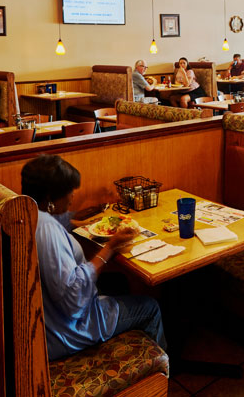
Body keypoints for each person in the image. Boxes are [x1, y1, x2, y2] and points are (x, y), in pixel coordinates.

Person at [21, 154, 166, 360]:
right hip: (65, 331)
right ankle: (156, 371)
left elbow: (61, 219)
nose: (72, 196)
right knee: (150, 307)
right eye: (69, 192)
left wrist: (85, 216)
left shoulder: (32, 214)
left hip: (49, 318)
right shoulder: (48, 232)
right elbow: (72, 297)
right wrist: (111, 246)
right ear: (52, 198)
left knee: (119, 282)